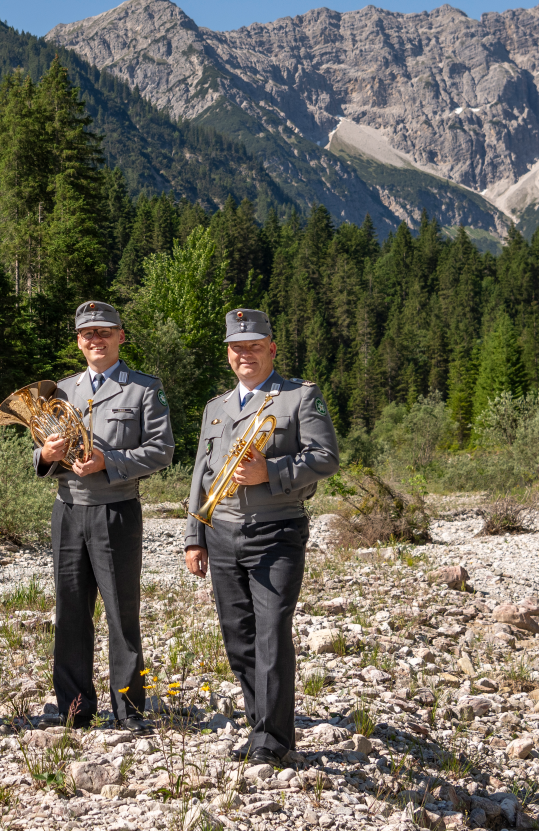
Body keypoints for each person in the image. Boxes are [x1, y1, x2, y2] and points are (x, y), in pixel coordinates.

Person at [183, 308, 338, 764]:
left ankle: (274, 740)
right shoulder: (216, 407)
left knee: (272, 633)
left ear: (272, 347)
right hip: (222, 533)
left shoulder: (299, 398)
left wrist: (268, 471)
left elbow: (325, 457)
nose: (245, 354)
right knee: (239, 638)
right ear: (228, 353)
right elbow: (201, 474)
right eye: (237, 347)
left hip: (277, 531)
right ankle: (259, 726)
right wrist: (195, 534)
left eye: (254, 345)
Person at [35, 300, 173, 729]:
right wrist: (46, 454)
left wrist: (109, 462)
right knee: (71, 611)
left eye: (105, 332)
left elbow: (162, 450)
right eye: (88, 334)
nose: (96, 340)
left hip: (116, 511)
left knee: (121, 614)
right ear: (79, 342)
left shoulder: (145, 388)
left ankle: (129, 711)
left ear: (120, 337)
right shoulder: (60, 390)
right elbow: (38, 453)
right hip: (68, 509)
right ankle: (74, 709)